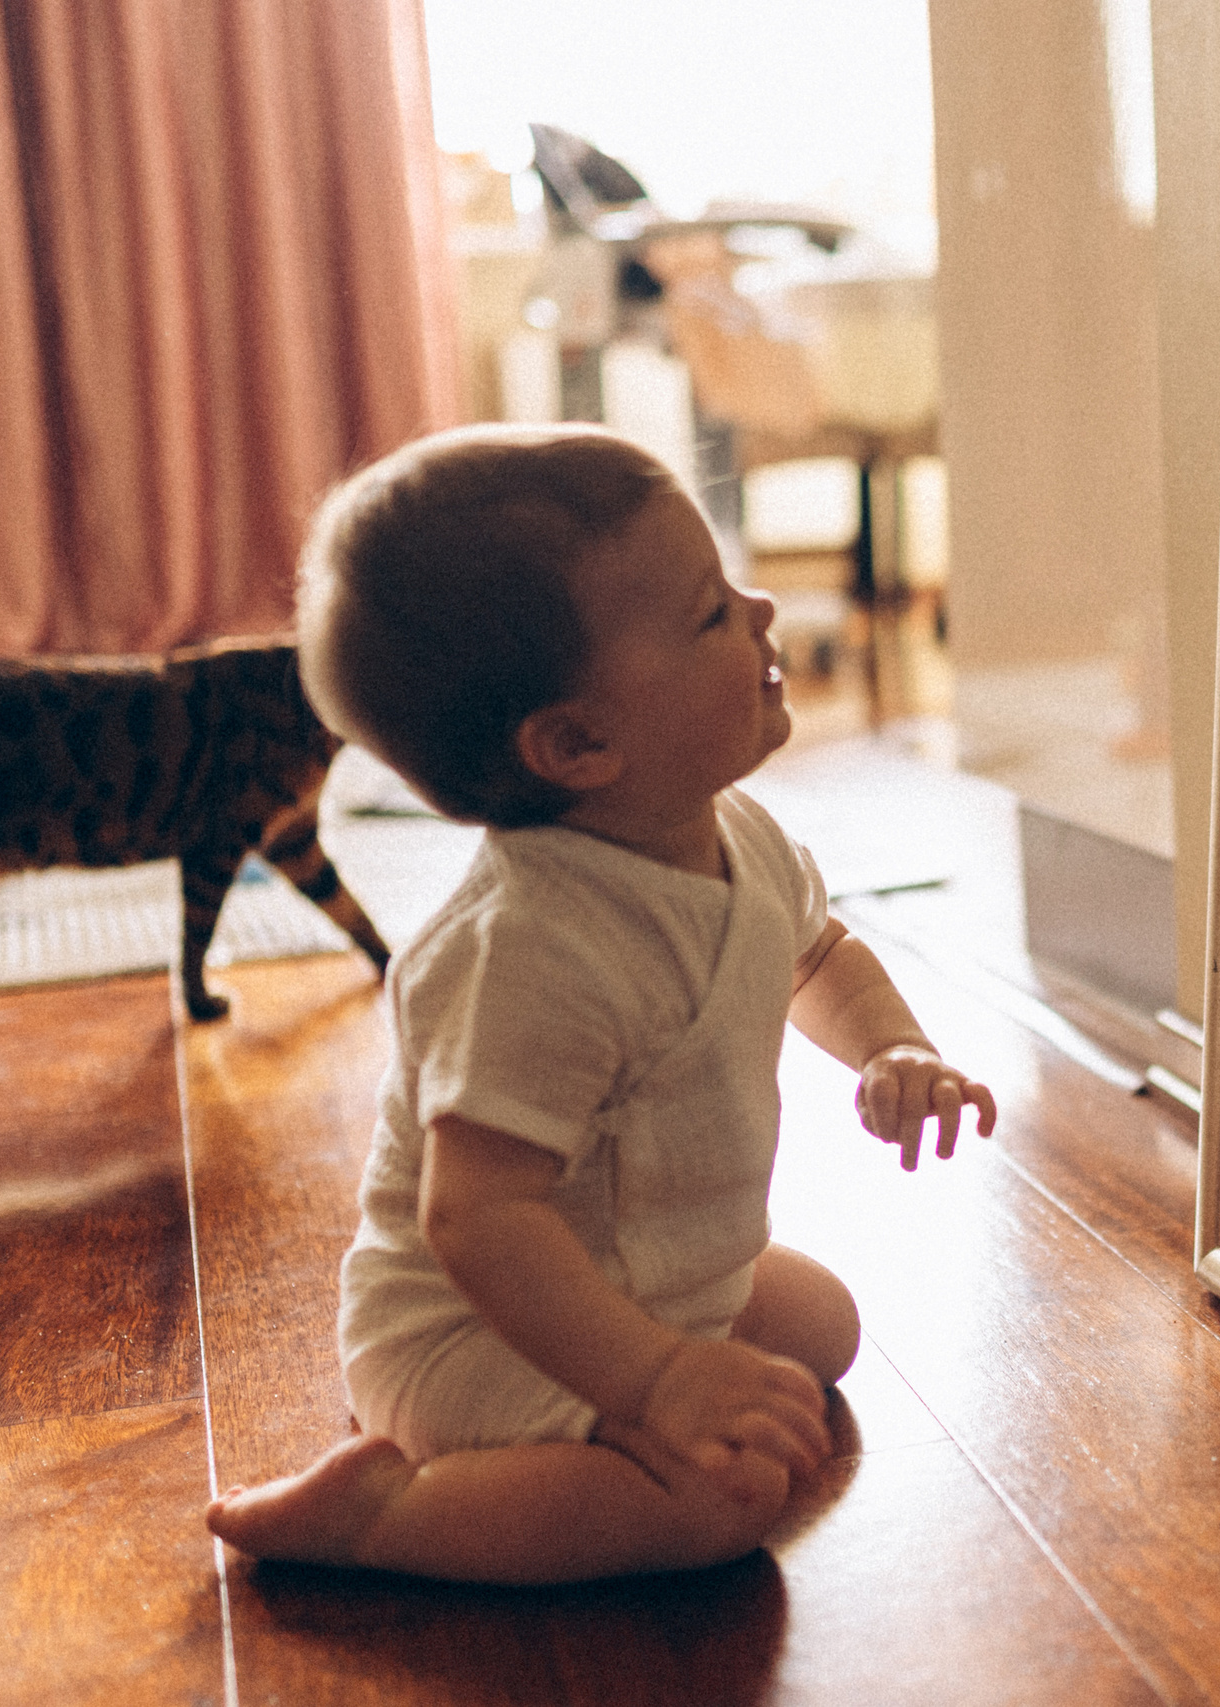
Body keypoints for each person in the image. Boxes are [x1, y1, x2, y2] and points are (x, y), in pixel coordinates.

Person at [206, 424, 996, 1584]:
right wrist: (655, 1380)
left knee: (823, 1330)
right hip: (481, 1331)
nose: (762, 609)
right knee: (716, 1502)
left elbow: (814, 957)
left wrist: (892, 1049)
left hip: (647, 1273)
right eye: (709, 615)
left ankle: (626, 1393)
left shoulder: (733, 837)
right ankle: (386, 1517)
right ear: (576, 742)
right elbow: (478, 1222)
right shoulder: (527, 951)